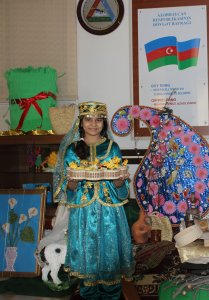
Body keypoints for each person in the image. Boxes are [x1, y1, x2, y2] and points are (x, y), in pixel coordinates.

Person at [52, 101, 134, 299]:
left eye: (98, 119)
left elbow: (120, 188)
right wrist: (71, 183)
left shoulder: (112, 147)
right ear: (80, 122)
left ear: (104, 123)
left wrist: (119, 182)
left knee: (110, 260)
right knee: (87, 262)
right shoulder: (72, 150)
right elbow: (67, 187)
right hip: (83, 212)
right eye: (88, 119)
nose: (93, 124)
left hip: (109, 212)